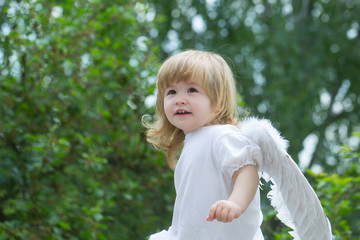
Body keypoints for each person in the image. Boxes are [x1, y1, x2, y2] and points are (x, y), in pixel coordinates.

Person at [144, 50, 264, 240]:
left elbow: (247, 171)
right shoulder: (193, 141)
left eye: (192, 90)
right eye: (171, 92)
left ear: (217, 99)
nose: (180, 99)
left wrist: (235, 203)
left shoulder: (221, 135)